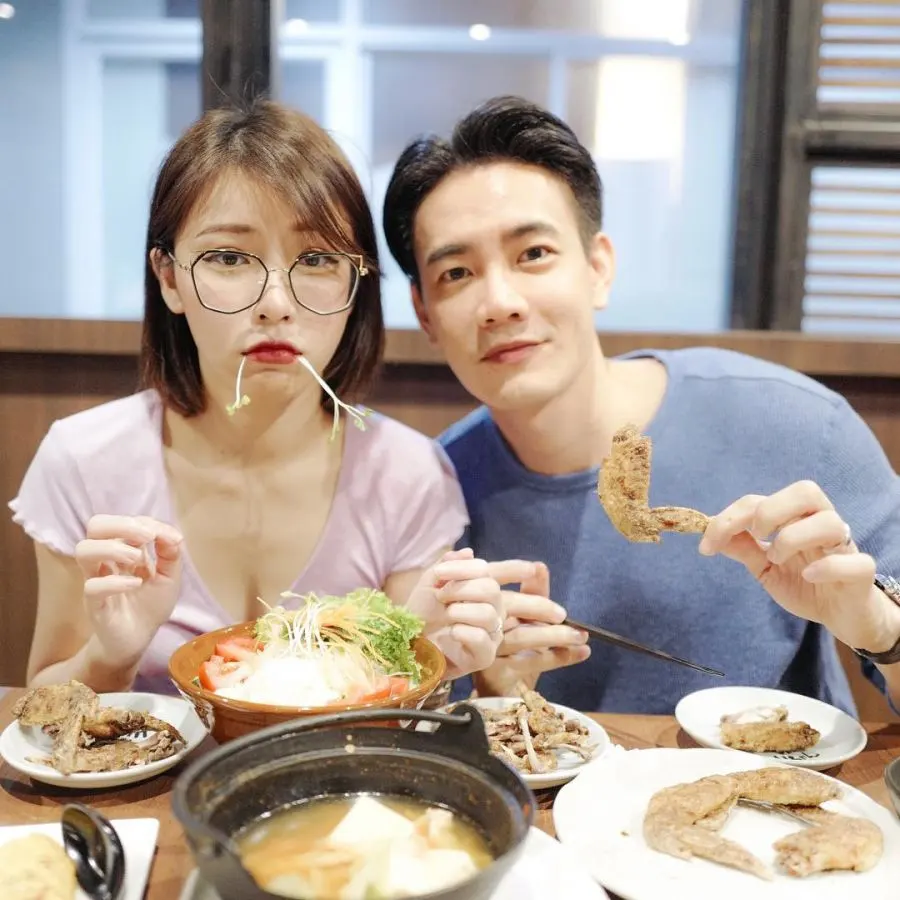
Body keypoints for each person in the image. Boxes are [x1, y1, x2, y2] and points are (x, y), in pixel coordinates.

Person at [381, 95, 900, 716]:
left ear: (597, 267)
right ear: (424, 314)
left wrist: (880, 630)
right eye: (457, 274)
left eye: (533, 254)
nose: (500, 302)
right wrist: (497, 691)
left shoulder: (794, 423)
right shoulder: (433, 497)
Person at [9, 100, 508, 696]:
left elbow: (405, 712)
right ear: (169, 279)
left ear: (357, 283)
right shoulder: (84, 460)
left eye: (317, 259)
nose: (276, 303)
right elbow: (44, 702)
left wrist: (432, 656)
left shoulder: (406, 472)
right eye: (229, 258)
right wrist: (112, 655)